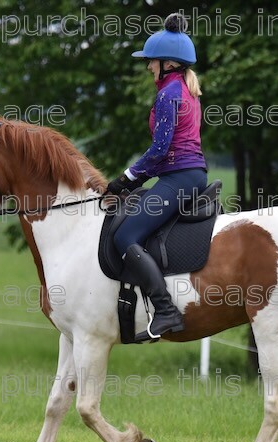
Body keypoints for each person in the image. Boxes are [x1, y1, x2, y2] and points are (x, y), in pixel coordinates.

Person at [108, 12, 207, 338]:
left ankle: (165, 310)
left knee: (124, 236)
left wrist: (126, 178)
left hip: (179, 177)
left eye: (152, 61)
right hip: (185, 174)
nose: (149, 66)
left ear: (168, 63)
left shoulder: (168, 94)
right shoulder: (186, 90)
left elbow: (160, 149)